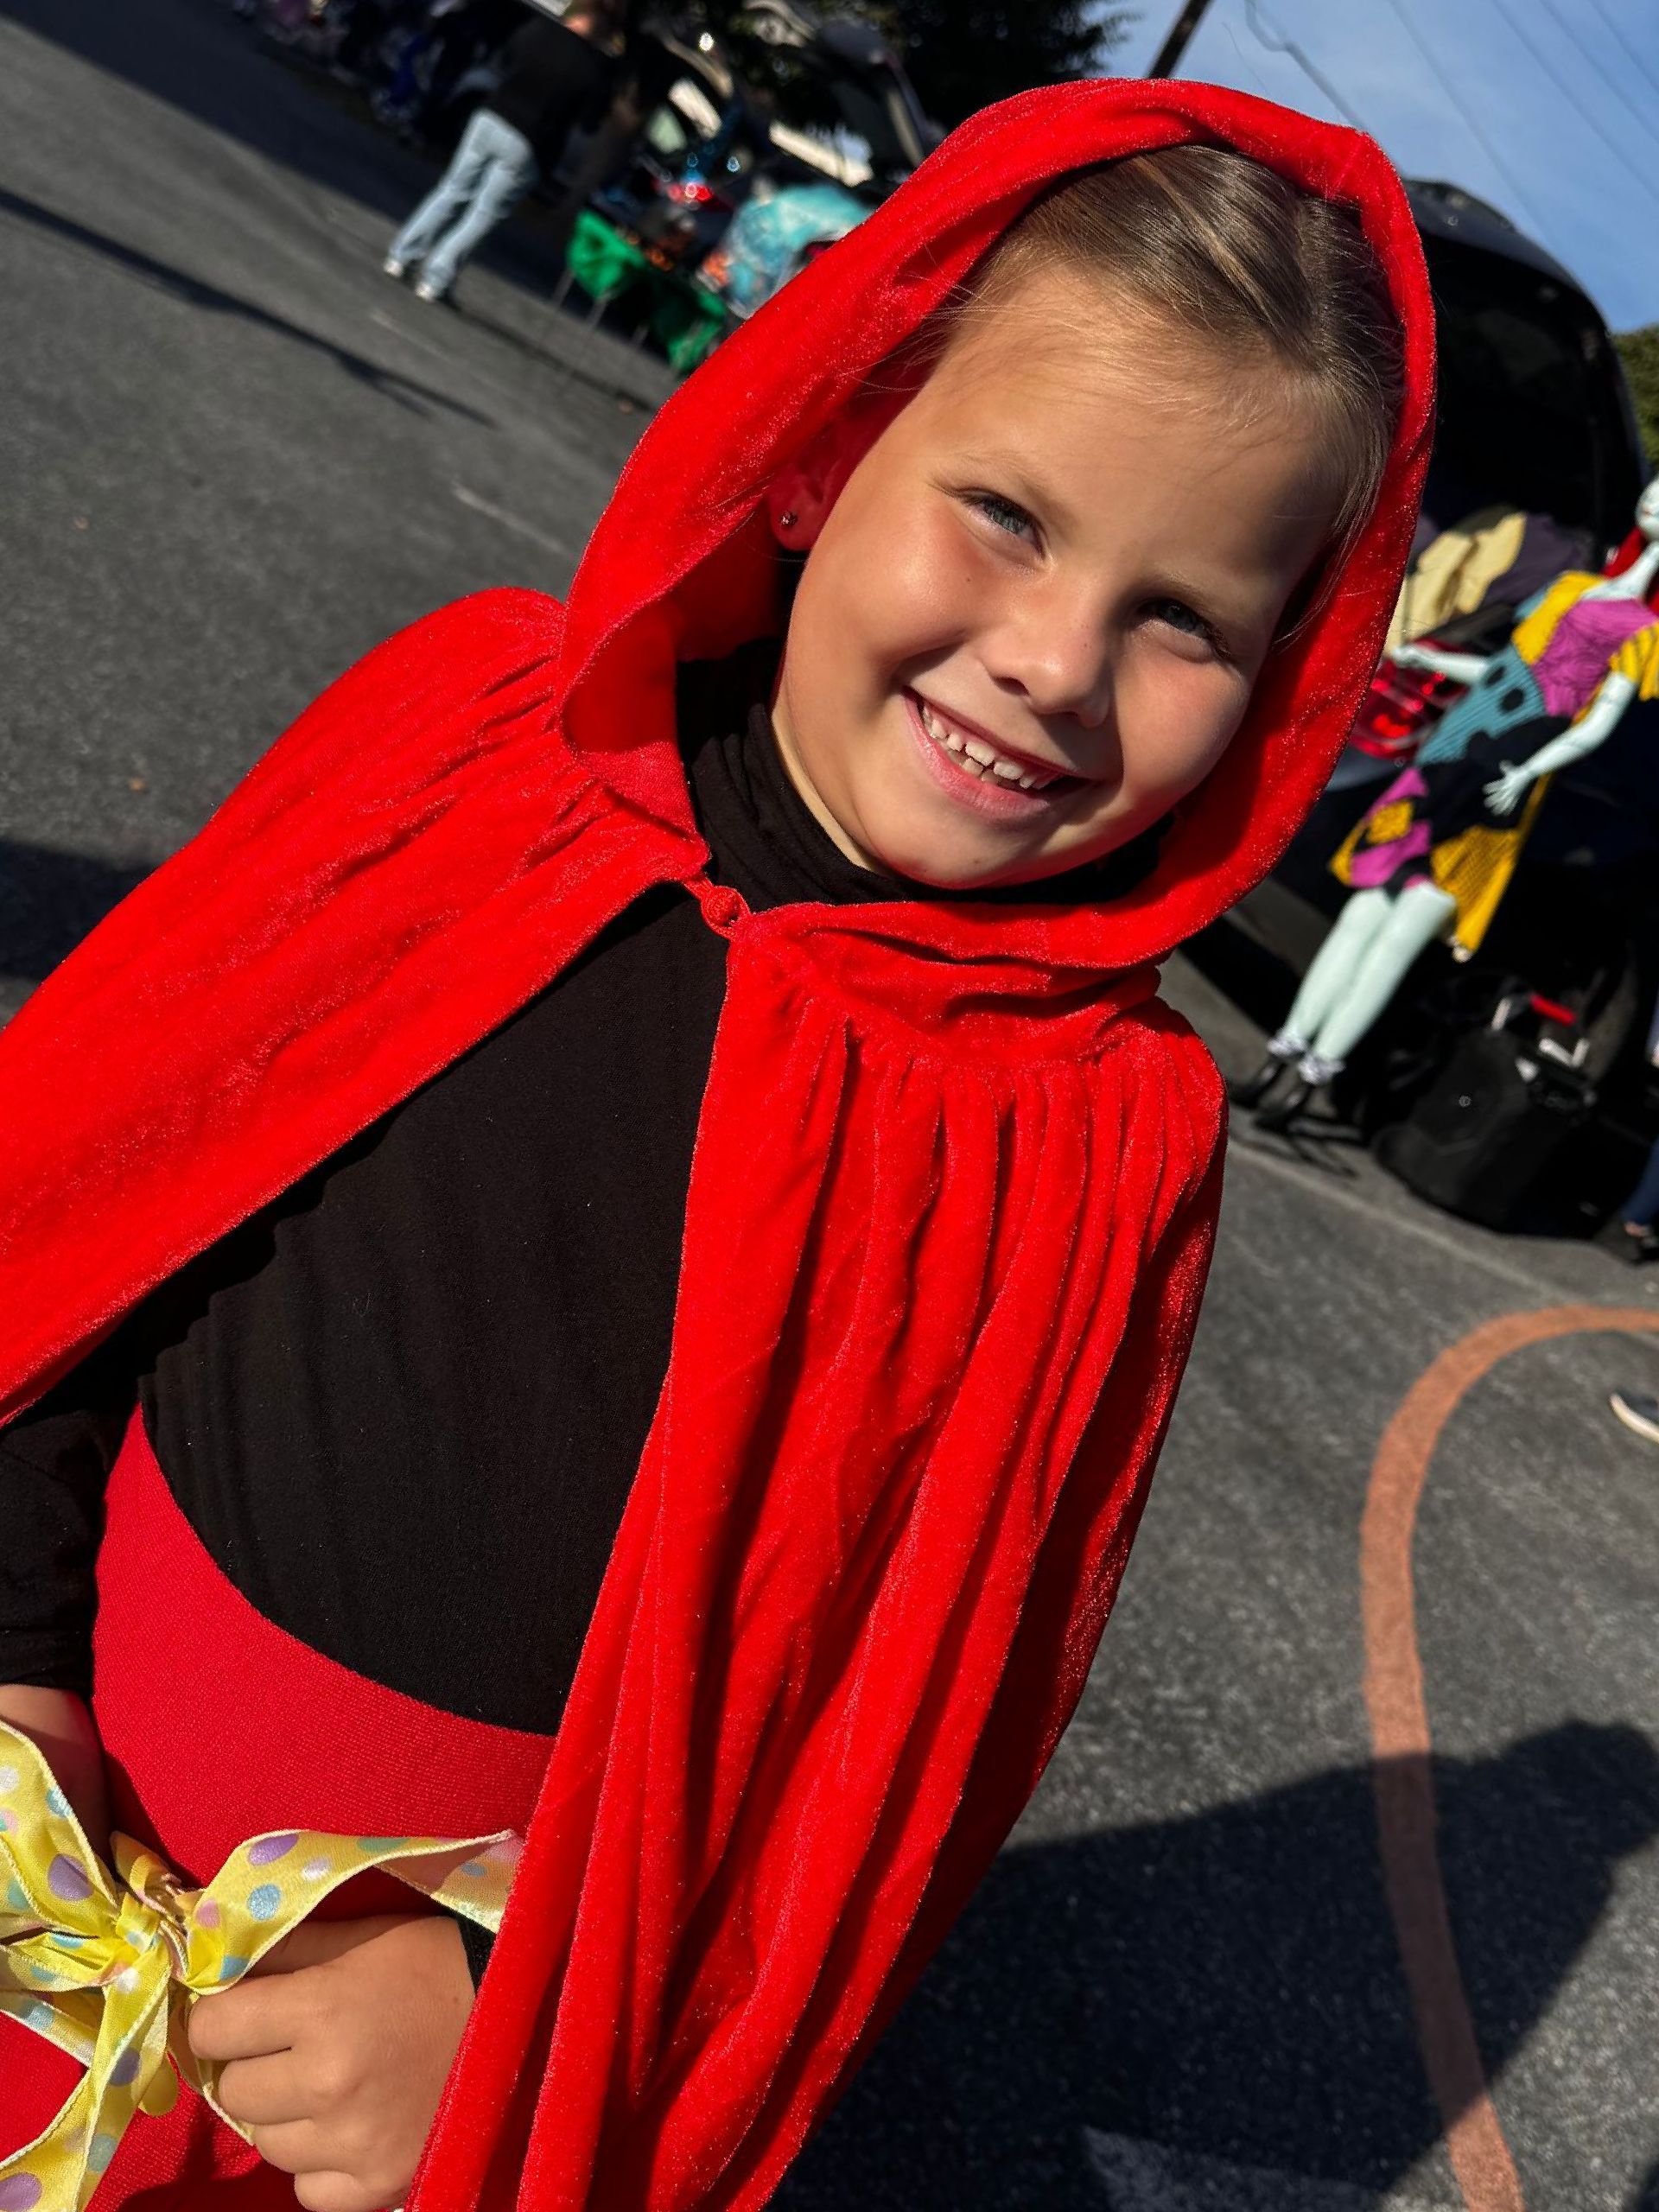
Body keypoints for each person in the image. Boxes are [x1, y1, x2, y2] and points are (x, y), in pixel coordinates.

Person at [0, 82, 1430, 2212]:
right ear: (831, 441)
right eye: (1007, 512)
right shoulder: (470, 748)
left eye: (1187, 618)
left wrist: (505, 2005)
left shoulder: (1084, 1143)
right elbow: (75, 1214)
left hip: (411, 2095)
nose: (1054, 663)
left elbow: (870, 1763)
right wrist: (16, 1659)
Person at [384, 0, 619, 303]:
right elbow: (589, 122)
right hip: (530, 140)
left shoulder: (537, 30)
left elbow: (506, 59)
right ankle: (436, 279)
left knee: (453, 189)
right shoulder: (593, 70)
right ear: (602, 30)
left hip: (492, 116)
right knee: (484, 213)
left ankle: (402, 255)